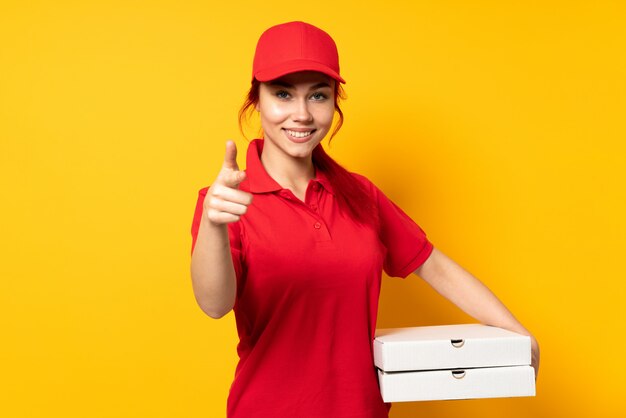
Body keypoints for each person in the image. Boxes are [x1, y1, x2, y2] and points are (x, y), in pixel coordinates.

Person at [190, 21, 540, 418]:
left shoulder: (360, 195)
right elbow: (214, 304)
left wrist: (517, 334)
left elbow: (433, 265)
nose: (301, 114)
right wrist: (214, 225)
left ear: (334, 104)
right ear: (256, 99)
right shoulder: (225, 201)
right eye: (283, 94)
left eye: (317, 96)